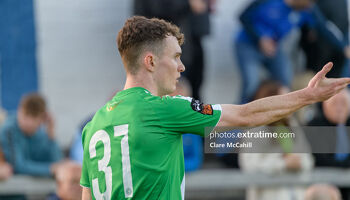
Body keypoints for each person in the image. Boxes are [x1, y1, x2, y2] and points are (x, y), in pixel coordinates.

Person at [80, 16, 350, 199]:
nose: (181, 67)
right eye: (175, 57)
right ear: (150, 62)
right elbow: (246, 115)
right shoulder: (166, 108)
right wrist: (307, 96)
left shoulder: (94, 126)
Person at [234, 0, 350, 104]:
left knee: (285, 82)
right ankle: (238, 122)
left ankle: (279, 124)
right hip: (248, 45)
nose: (312, 4)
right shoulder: (268, 2)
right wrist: (260, 38)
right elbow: (243, 16)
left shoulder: (306, 10)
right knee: (251, 82)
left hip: (274, 48)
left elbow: (325, 28)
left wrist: (343, 47)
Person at [239, 80, 314, 200]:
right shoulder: (255, 129)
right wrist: (283, 163)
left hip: (297, 193)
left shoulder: (293, 125)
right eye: (286, 100)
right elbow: (250, 166)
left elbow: (308, 159)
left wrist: (299, 162)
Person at [0, 93, 63, 176]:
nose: (29, 122)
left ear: (42, 118)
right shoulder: (8, 130)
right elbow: (18, 166)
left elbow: (58, 162)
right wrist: (50, 169)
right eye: (26, 116)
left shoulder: (41, 134)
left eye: (34, 117)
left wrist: (51, 132)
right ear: (19, 111)